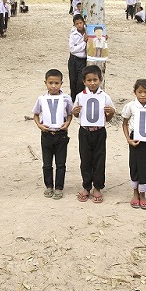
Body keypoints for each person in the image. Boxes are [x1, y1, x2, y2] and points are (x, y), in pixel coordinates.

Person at [72, 65, 115, 204]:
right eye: (89, 80)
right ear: (84, 81)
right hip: (84, 131)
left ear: (100, 79)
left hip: (99, 131)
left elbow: (107, 118)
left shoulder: (105, 97)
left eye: (95, 79)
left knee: (99, 158)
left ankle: (97, 186)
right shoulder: (80, 96)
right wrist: (75, 112)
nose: (92, 83)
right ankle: (86, 186)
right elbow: (77, 115)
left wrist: (111, 113)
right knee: (85, 159)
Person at [32, 69, 74, 199]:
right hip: (47, 135)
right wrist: (40, 125)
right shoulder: (42, 99)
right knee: (47, 163)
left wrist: (67, 124)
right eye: (50, 83)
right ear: (45, 83)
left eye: (56, 83)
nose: (53, 86)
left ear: (61, 83)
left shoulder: (66, 98)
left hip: (61, 135)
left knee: (61, 163)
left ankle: (59, 187)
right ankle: (49, 186)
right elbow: (35, 114)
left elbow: (70, 114)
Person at [121, 78, 146, 210]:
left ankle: (143, 194)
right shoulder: (131, 106)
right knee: (134, 165)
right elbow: (125, 123)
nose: (143, 95)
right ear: (135, 92)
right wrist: (128, 139)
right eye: (140, 92)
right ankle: (135, 193)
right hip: (135, 139)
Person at [68, 14, 87, 95]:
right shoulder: (73, 35)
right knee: (73, 81)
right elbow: (72, 50)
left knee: (81, 82)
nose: (79, 25)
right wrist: (84, 43)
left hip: (83, 60)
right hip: (73, 60)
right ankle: (73, 100)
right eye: (77, 24)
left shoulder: (88, 32)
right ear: (74, 25)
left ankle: (79, 99)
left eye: (80, 23)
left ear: (83, 22)